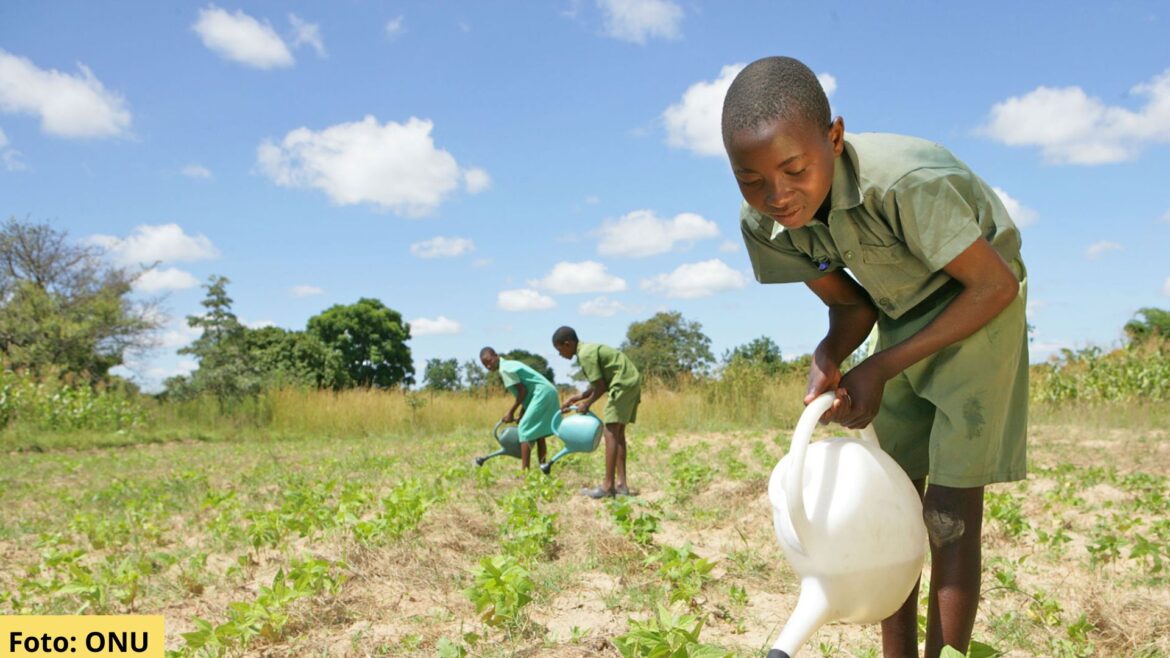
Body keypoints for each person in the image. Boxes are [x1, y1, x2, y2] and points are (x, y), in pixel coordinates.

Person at [722, 57, 1028, 658]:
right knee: (898, 500)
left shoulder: (901, 183)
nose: (777, 195)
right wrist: (831, 353)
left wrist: (880, 366)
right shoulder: (767, 224)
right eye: (751, 180)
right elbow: (853, 309)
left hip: (978, 304)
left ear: (833, 138)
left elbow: (994, 287)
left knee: (947, 513)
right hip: (899, 313)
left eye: (794, 169)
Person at [551, 326, 642, 499]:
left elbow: (600, 387)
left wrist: (587, 404)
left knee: (610, 432)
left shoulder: (585, 354)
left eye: (559, 349)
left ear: (567, 344)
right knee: (618, 433)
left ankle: (608, 487)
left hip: (622, 383)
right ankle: (621, 486)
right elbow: (598, 384)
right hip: (630, 381)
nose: (560, 354)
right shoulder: (587, 350)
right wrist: (577, 398)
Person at [479, 347, 556, 470]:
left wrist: (510, 412)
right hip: (547, 391)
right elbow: (528, 392)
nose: (488, 366)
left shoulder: (504, 369)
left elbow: (523, 391)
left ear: (496, 356)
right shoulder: (510, 364)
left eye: (489, 361)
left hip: (542, 393)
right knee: (539, 433)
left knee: (524, 429)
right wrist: (522, 413)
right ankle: (544, 467)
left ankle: (525, 473)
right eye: (485, 365)